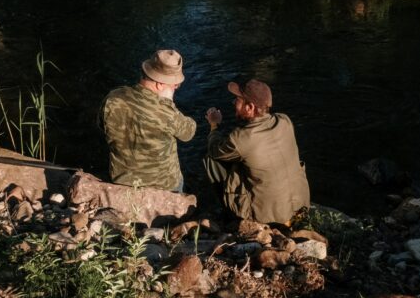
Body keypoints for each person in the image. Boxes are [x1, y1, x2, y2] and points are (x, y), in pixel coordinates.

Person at [204, 79, 310, 225]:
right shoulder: (285, 120)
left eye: (238, 100)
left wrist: (214, 125)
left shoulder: (241, 138)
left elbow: (214, 149)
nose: (234, 103)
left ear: (250, 107)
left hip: (269, 216)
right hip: (301, 205)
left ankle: (231, 217)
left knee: (211, 159)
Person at [100, 49, 196, 192]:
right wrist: (169, 104)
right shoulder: (167, 112)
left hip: (122, 181)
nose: (177, 87)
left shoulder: (113, 97)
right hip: (164, 186)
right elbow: (189, 132)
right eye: (175, 84)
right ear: (160, 84)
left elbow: (101, 126)